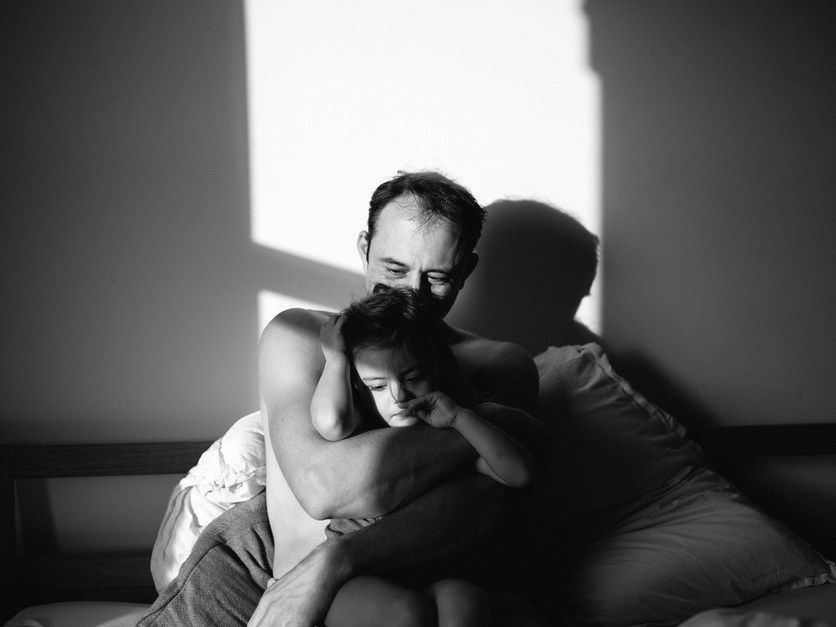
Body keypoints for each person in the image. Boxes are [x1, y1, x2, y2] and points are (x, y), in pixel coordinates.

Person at [137, 170, 547, 627]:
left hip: (428, 580)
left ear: (465, 271)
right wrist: (488, 421)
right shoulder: (302, 336)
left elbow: (485, 505)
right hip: (310, 601)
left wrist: (337, 560)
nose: (412, 293)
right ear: (364, 248)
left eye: (437, 277)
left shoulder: (499, 365)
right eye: (394, 269)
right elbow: (323, 489)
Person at [313, 285, 536, 627]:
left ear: (435, 370)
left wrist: (460, 418)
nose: (399, 396)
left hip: (429, 572)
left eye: (413, 377)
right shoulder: (363, 425)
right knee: (407, 612)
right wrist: (336, 358)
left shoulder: (448, 439)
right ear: (358, 387)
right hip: (356, 581)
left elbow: (519, 474)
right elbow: (330, 423)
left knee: (465, 600)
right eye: (377, 386)